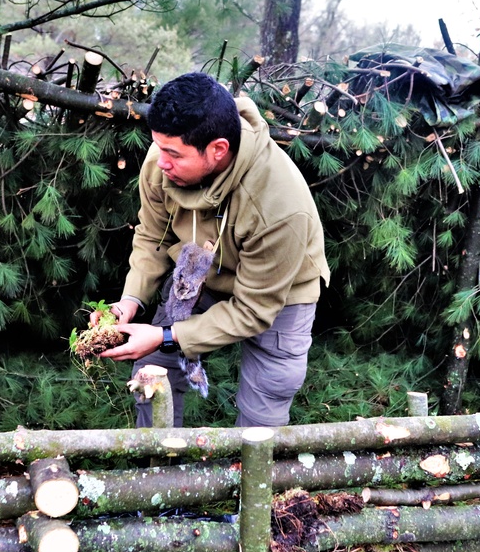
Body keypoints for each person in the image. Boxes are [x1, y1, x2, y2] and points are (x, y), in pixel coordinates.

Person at [93, 72, 330, 428]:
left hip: (276, 295)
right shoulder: (163, 161)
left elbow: (253, 311)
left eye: (173, 153)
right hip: (198, 272)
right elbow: (151, 236)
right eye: (159, 147)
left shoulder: (280, 205)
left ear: (218, 149)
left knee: (264, 410)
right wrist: (131, 301)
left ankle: (250, 477)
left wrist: (169, 335)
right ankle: (156, 470)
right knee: (152, 371)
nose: (161, 162)